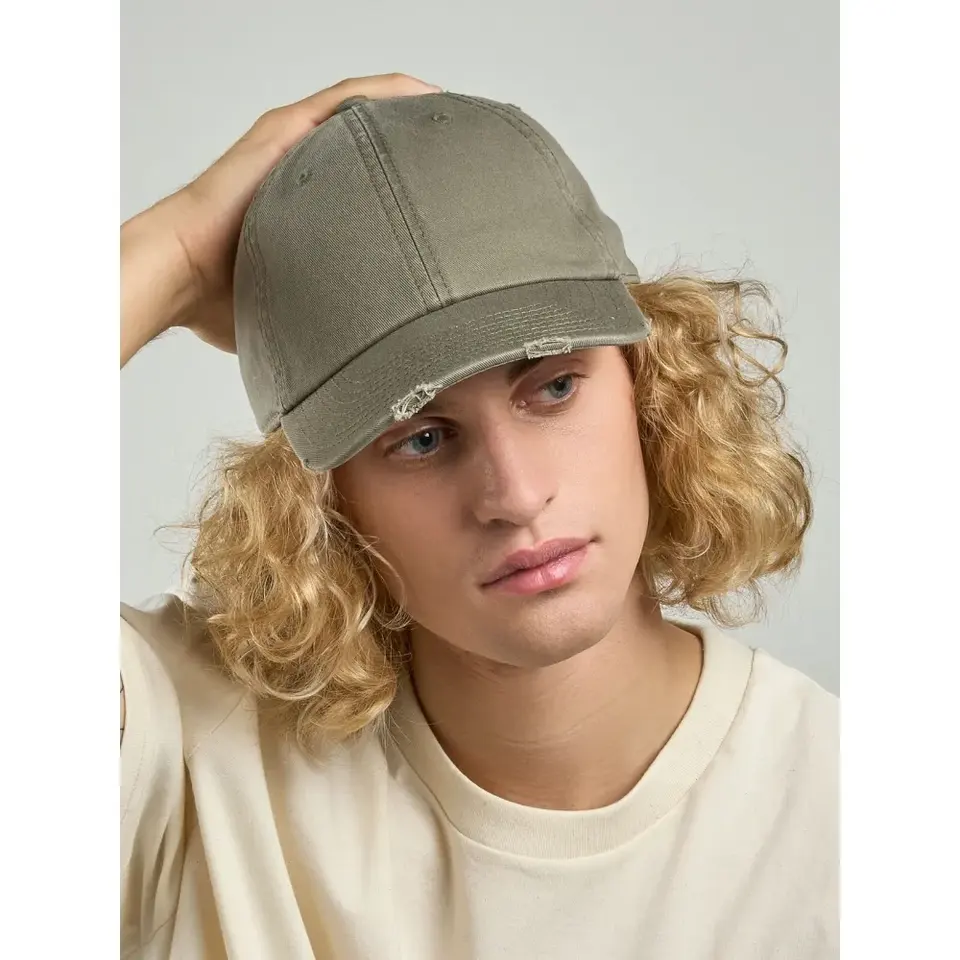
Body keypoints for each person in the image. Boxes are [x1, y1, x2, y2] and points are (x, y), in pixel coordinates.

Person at [120, 73, 838, 959]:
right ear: (322, 499)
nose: (515, 495)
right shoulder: (191, 750)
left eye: (555, 387)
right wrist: (173, 254)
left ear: (649, 384)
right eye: (420, 438)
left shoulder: (841, 811)